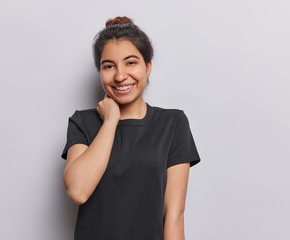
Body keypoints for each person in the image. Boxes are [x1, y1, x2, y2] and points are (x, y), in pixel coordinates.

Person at [61, 16, 201, 240]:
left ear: (148, 67)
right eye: (109, 66)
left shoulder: (172, 124)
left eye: (131, 62)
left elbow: (174, 214)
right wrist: (109, 121)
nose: (119, 75)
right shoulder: (82, 122)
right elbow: (78, 191)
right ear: (100, 71)